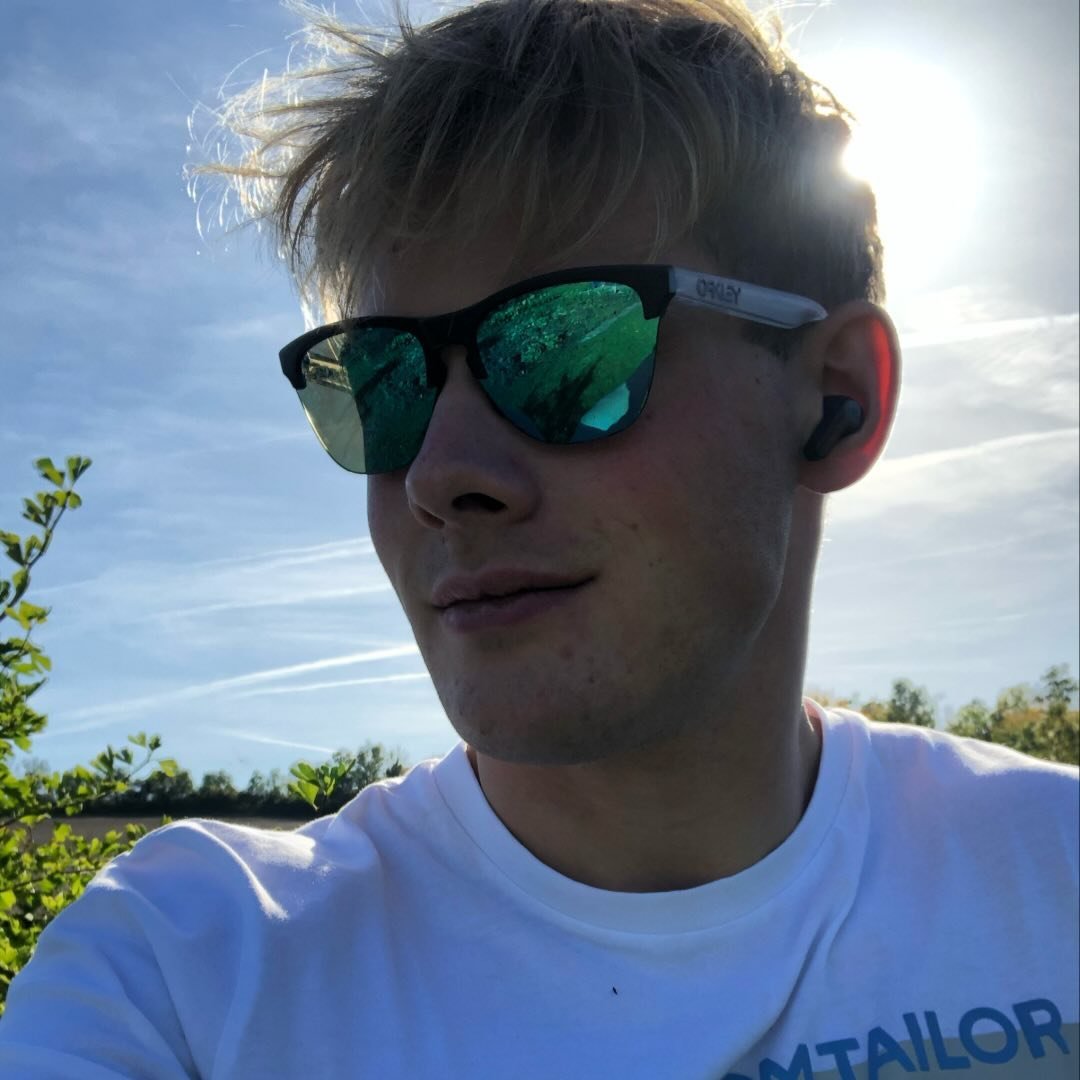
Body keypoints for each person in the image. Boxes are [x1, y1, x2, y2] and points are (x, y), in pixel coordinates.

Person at [2, 0, 1077, 1076]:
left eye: (566, 353)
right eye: (383, 385)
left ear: (838, 397)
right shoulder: (185, 975)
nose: (439, 477)